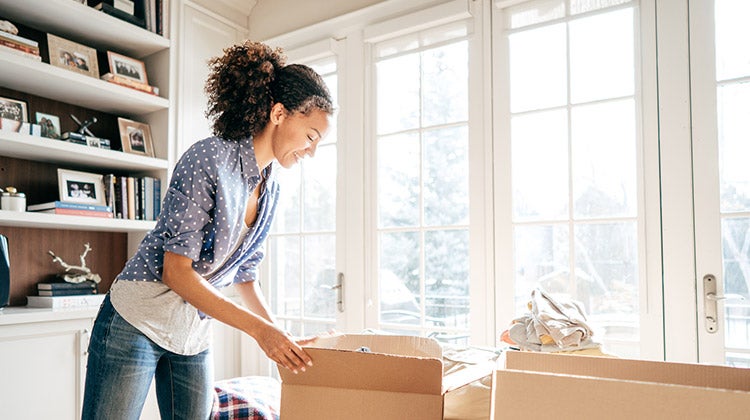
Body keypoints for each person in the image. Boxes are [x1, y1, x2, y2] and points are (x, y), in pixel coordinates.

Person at [81, 40, 334, 419]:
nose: (311, 150)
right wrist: (260, 332)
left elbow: (246, 276)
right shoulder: (209, 158)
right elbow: (176, 272)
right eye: (311, 136)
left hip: (192, 331)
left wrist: (280, 338)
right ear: (279, 113)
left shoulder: (272, 187)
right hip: (137, 317)